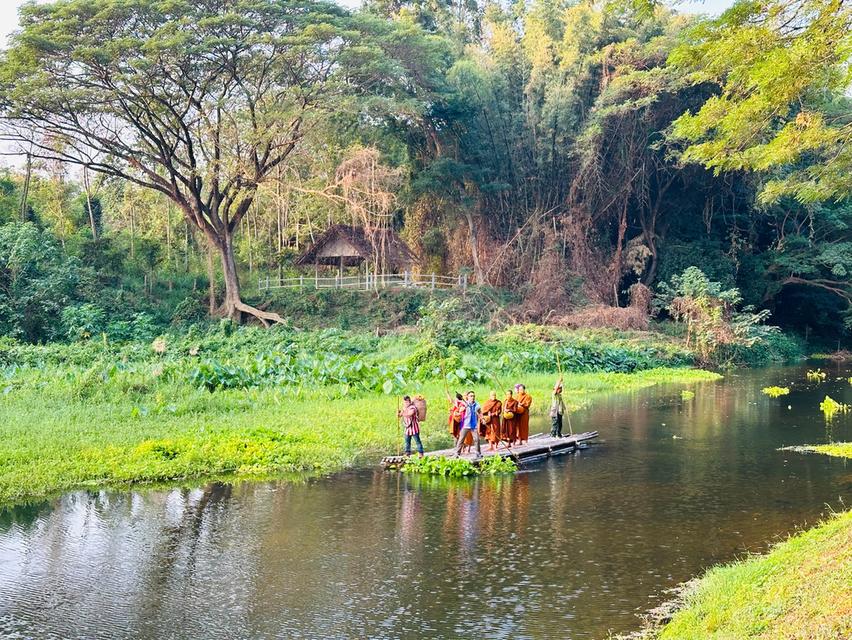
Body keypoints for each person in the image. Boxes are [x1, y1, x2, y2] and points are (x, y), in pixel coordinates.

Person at [455, 390, 482, 459]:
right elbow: (459, 411)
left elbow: (480, 413)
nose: (472, 397)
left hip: (474, 424)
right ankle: (457, 453)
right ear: (467, 397)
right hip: (466, 424)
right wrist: (463, 409)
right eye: (471, 396)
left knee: (477, 439)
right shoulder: (464, 404)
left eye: (473, 396)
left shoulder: (477, 405)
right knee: (461, 439)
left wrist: (482, 419)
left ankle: (478, 453)